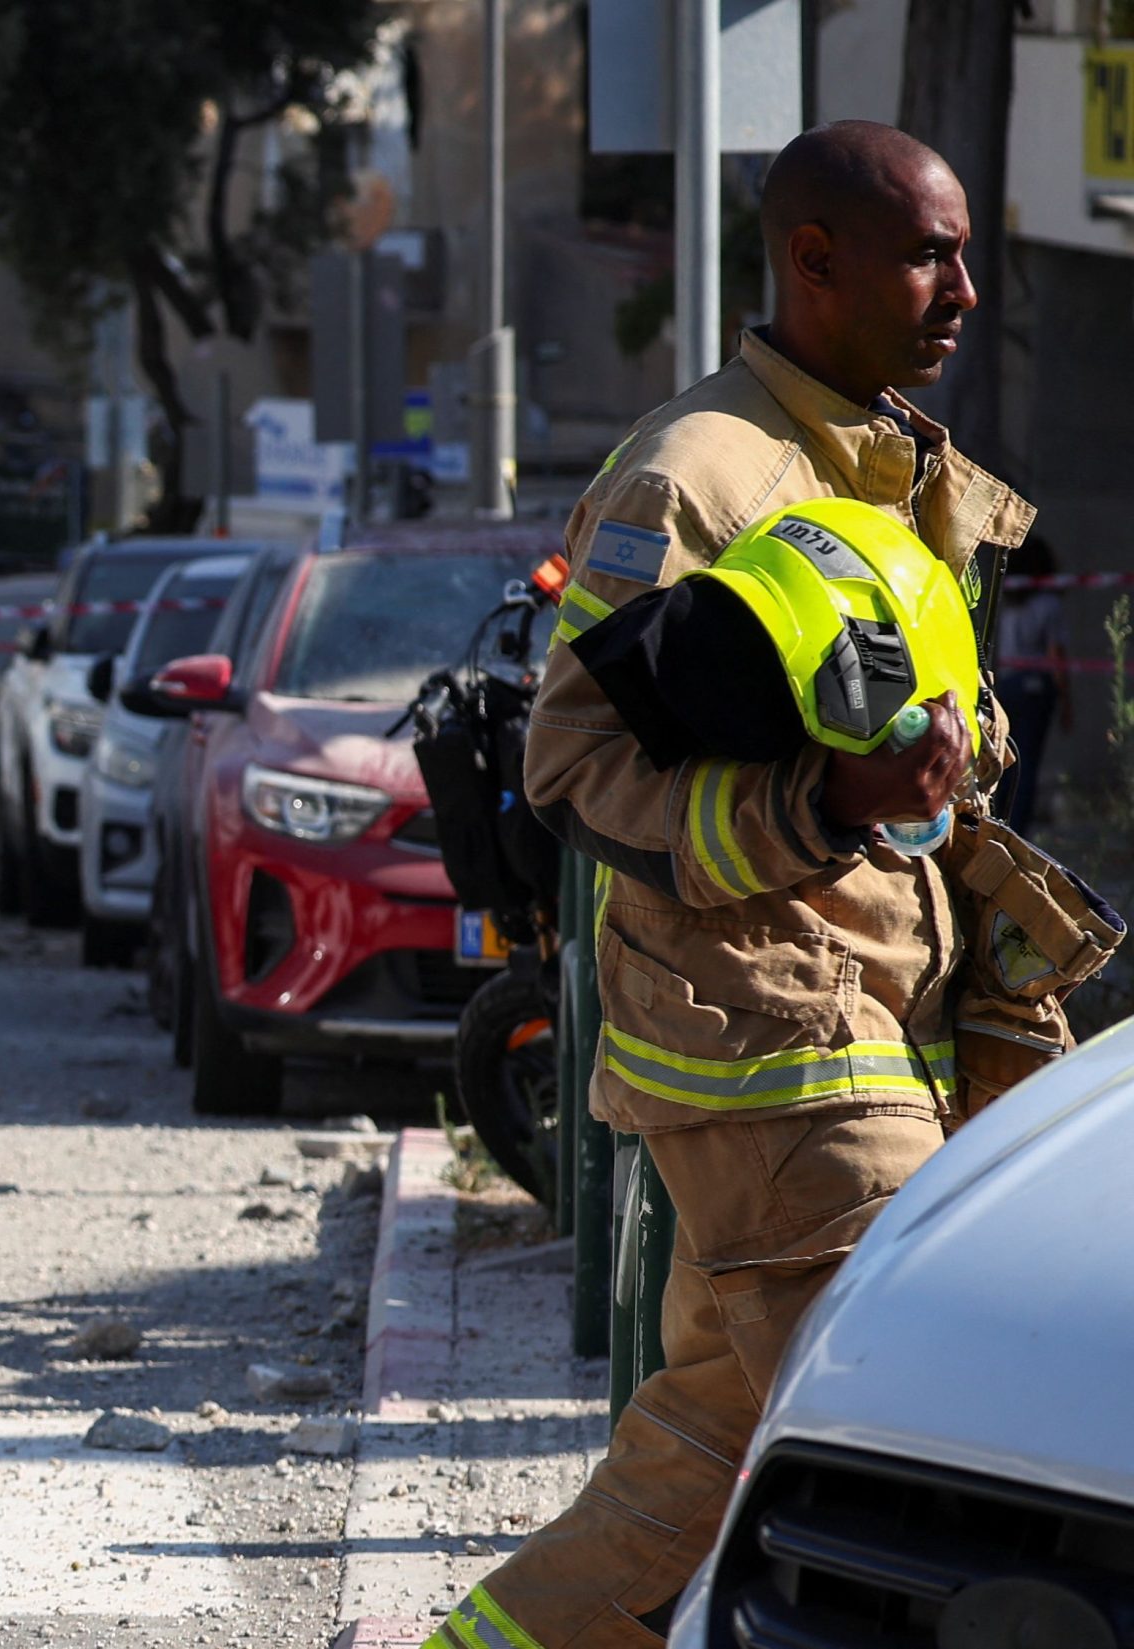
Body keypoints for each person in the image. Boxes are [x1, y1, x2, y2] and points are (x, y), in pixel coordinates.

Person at [425, 122, 1036, 1649]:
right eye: (930, 255)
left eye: (965, 254)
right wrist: (822, 805)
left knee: (710, 1459)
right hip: (776, 1057)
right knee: (912, 1425)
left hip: (889, 1030)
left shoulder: (886, 465)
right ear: (813, 259)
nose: (966, 289)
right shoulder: (696, 474)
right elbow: (573, 769)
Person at [994, 534, 1071, 834]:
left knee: (1005, 759)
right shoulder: (1049, 602)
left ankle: (996, 821)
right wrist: (1067, 701)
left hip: (1008, 684)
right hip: (1036, 688)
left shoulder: (1008, 599)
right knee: (1026, 764)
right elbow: (1056, 654)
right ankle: (1016, 830)